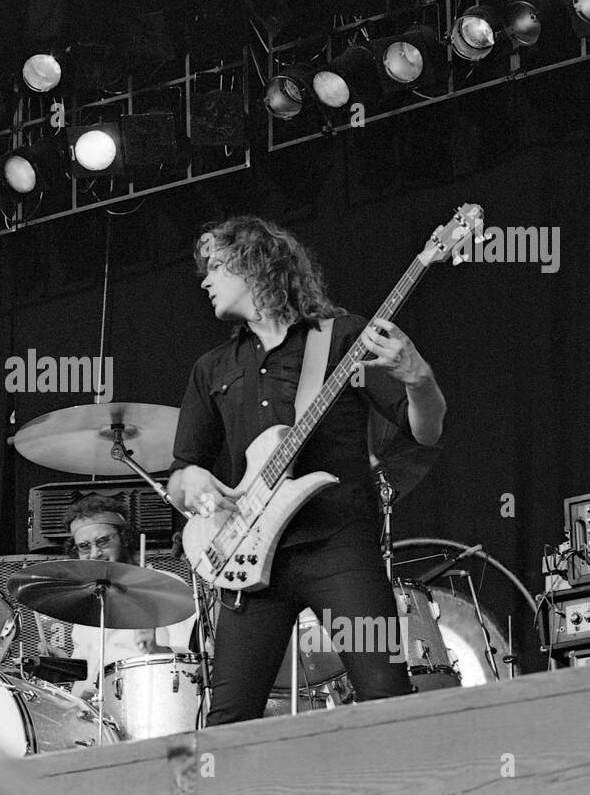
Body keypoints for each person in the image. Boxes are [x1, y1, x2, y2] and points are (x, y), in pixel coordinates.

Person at [166, 216, 447, 725]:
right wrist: (193, 485)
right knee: (228, 721)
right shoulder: (212, 368)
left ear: (254, 264)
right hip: (249, 565)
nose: (205, 281)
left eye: (216, 268)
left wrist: (420, 380)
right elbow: (182, 474)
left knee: (386, 695)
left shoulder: (343, 338)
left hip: (339, 548)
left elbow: (423, 430)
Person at [61, 495, 177, 702]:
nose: (95, 553)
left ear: (125, 539)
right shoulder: (87, 599)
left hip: (146, 704)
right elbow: (87, 669)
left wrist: (156, 650)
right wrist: (61, 665)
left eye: (103, 541)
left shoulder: (165, 586)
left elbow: (192, 666)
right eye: (84, 547)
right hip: (90, 716)